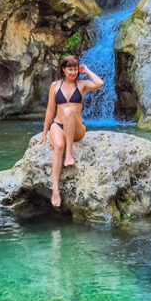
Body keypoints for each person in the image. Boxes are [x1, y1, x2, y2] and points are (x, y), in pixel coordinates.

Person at [37, 55, 104, 207]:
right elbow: (50, 110)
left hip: (77, 129)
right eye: (70, 69)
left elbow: (100, 83)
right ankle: (55, 190)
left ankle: (69, 155)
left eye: (75, 69)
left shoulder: (81, 84)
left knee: (68, 112)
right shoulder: (55, 86)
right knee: (58, 146)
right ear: (63, 69)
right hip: (58, 125)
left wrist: (86, 70)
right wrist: (44, 132)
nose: (73, 72)